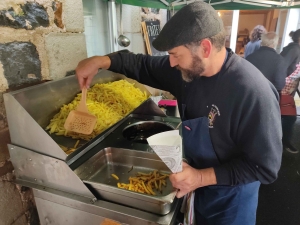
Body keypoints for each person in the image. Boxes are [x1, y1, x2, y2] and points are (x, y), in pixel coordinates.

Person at [75, 2, 282, 225]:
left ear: (205, 48)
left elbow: (264, 167)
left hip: (232, 203)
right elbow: (143, 65)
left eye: (175, 54)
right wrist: (102, 61)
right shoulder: (187, 71)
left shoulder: (252, 92)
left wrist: (201, 177)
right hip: (200, 191)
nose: (171, 62)